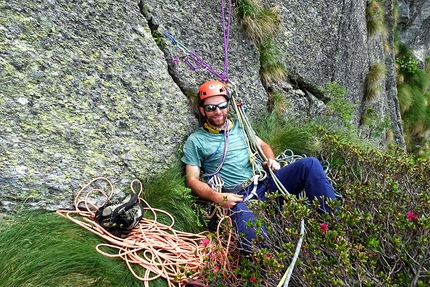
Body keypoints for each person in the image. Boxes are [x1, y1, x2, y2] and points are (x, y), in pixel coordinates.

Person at [181, 80, 337, 252]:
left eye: (222, 105)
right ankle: (268, 269)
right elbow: (192, 180)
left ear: (227, 105)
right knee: (253, 239)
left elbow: (263, 146)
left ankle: (332, 230)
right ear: (203, 111)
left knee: (310, 165)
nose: (217, 111)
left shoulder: (241, 126)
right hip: (238, 198)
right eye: (211, 108)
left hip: (264, 185)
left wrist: (271, 160)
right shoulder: (196, 141)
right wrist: (218, 198)